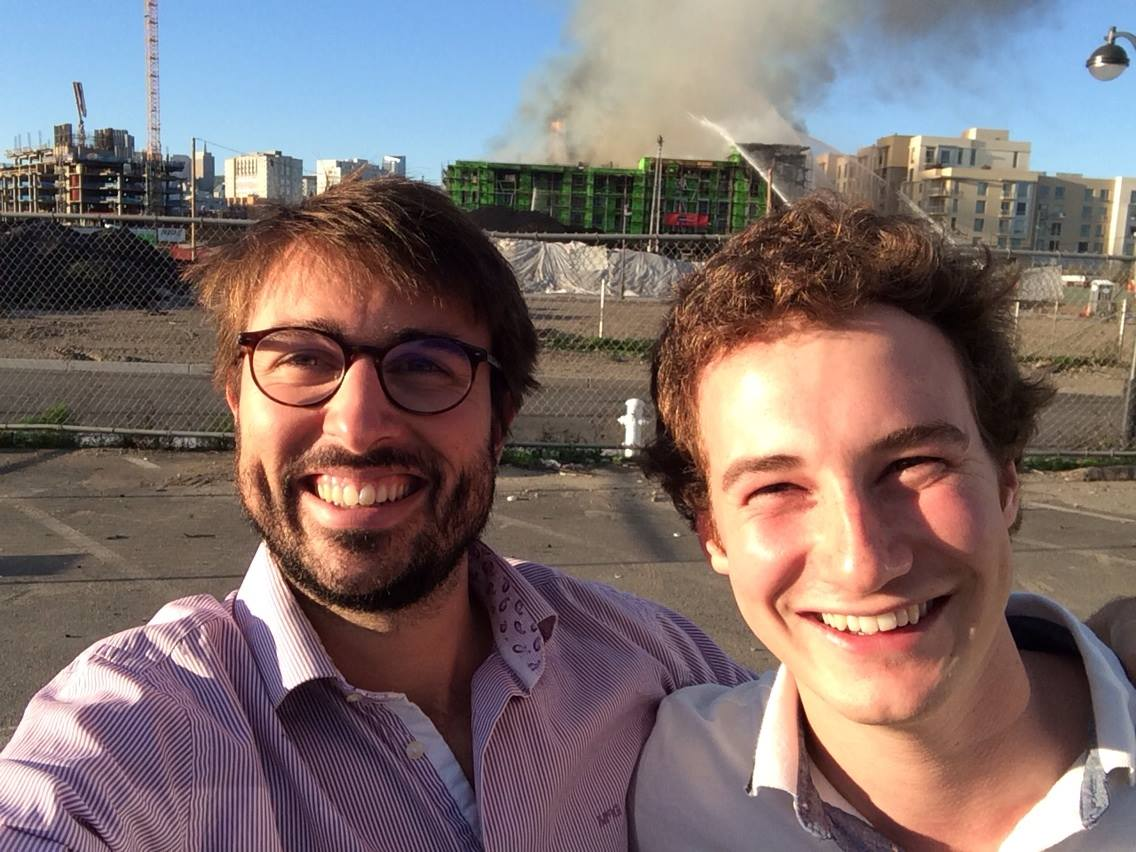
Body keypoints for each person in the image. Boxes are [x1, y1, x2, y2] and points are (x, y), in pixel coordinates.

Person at [0, 177, 751, 851]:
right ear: (236, 403)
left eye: (425, 366)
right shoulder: (129, 737)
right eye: (301, 359)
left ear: (501, 419)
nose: (356, 427)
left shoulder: (651, 662)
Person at [631, 196, 1136, 850]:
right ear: (714, 534)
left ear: (1007, 479)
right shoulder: (671, 776)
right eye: (776, 486)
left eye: (913, 464)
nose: (861, 561)